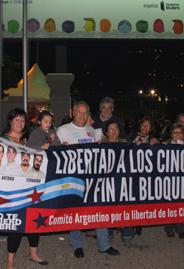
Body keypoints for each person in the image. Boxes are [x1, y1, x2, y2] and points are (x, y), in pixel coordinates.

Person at [57, 101, 120, 258]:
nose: (82, 115)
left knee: (99, 208)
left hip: (93, 179)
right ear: (73, 113)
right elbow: (54, 154)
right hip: (74, 179)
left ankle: (104, 245)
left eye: (85, 113)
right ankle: (77, 244)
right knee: (76, 211)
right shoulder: (63, 130)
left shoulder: (91, 130)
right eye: (79, 112)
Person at [0, 108, 47, 269]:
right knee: (16, 224)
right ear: (10, 122)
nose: (19, 123)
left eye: (22, 120)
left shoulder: (28, 139)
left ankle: (33, 253)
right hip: (13, 189)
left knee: (34, 220)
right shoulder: (2, 139)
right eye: (16, 119)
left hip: (31, 189)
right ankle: (10, 259)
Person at [163, 123, 184, 239]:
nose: (178, 135)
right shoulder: (165, 145)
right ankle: (169, 228)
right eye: (175, 132)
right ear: (171, 134)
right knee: (169, 205)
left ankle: (181, 229)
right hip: (169, 180)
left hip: (183, 180)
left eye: (180, 132)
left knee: (182, 205)